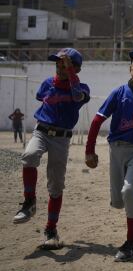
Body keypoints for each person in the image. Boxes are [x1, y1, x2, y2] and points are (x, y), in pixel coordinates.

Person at [84, 48, 133, 262]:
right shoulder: (118, 93)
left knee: (130, 189)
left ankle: (132, 242)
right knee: (119, 202)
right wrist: (89, 150)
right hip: (117, 148)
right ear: (130, 69)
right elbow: (96, 121)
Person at [13, 48, 90, 251]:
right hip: (42, 131)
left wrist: (70, 73)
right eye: (58, 63)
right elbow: (41, 98)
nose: (60, 67)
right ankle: (29, 202)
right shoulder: (47, 84)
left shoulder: (82, 88)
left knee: (56, 186)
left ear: (77, 69)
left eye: (65, 64)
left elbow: (76, 96)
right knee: (29, 156)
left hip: (61, 139)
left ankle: (51, 230)